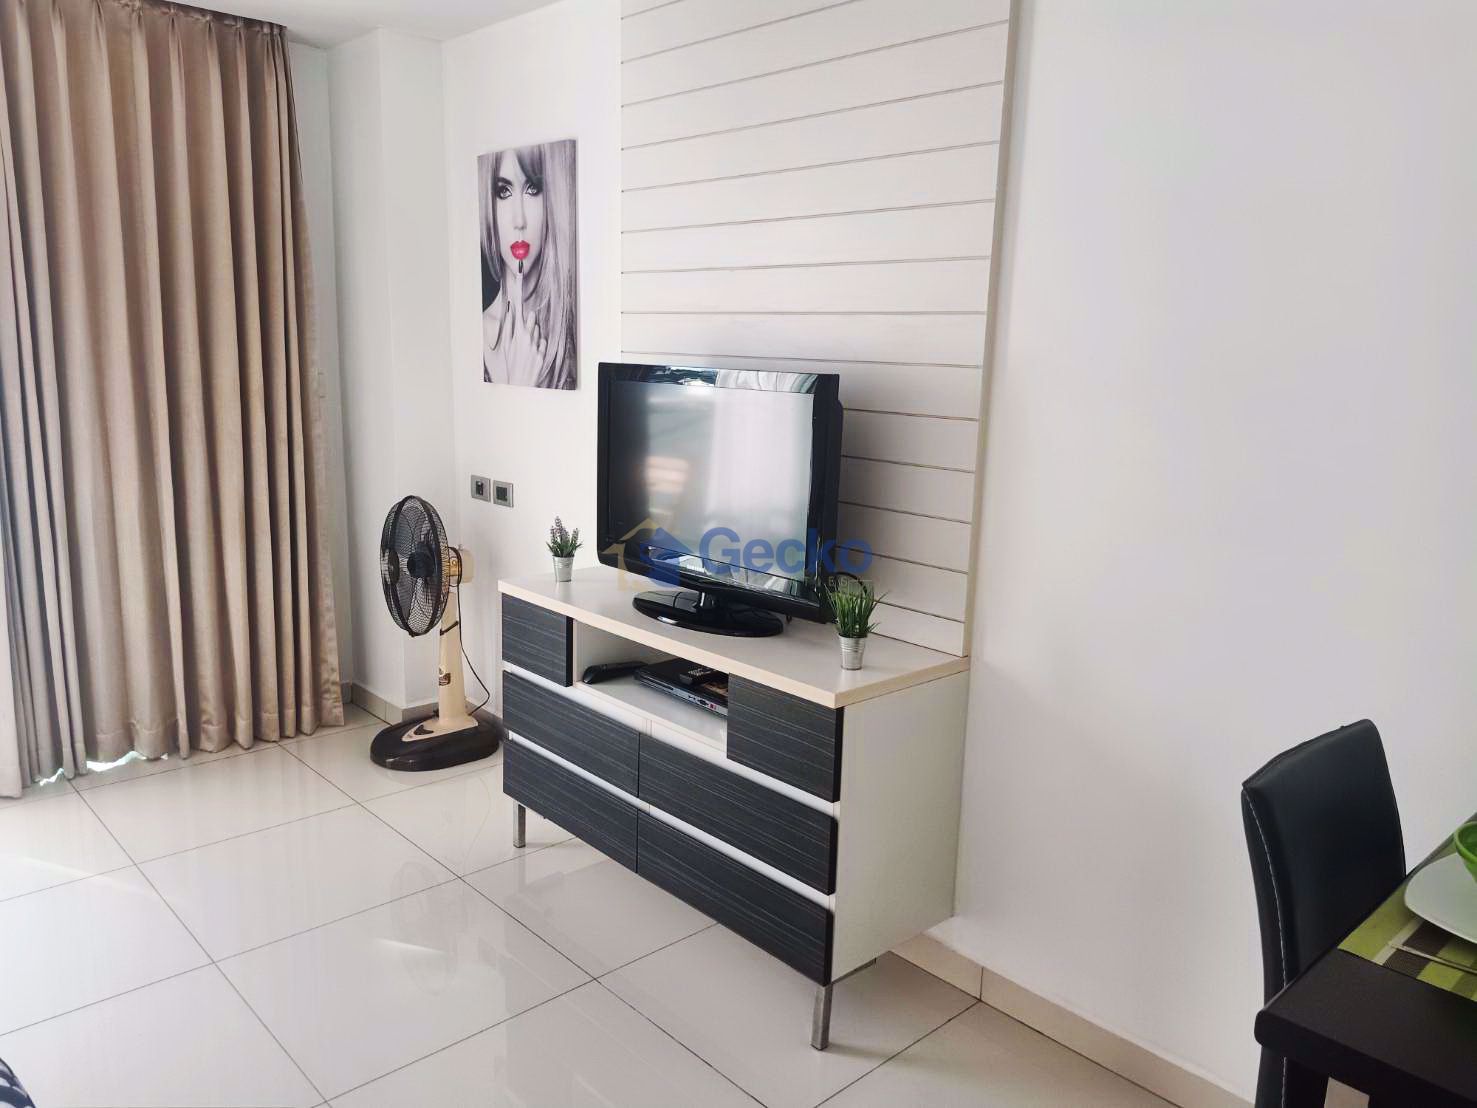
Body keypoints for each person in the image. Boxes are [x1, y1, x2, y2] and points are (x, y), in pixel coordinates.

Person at [479, 141, 577, 389]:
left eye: (533, 188)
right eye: (504, 191)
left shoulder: (574, 336)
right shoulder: (473, 335)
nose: (519, 220)